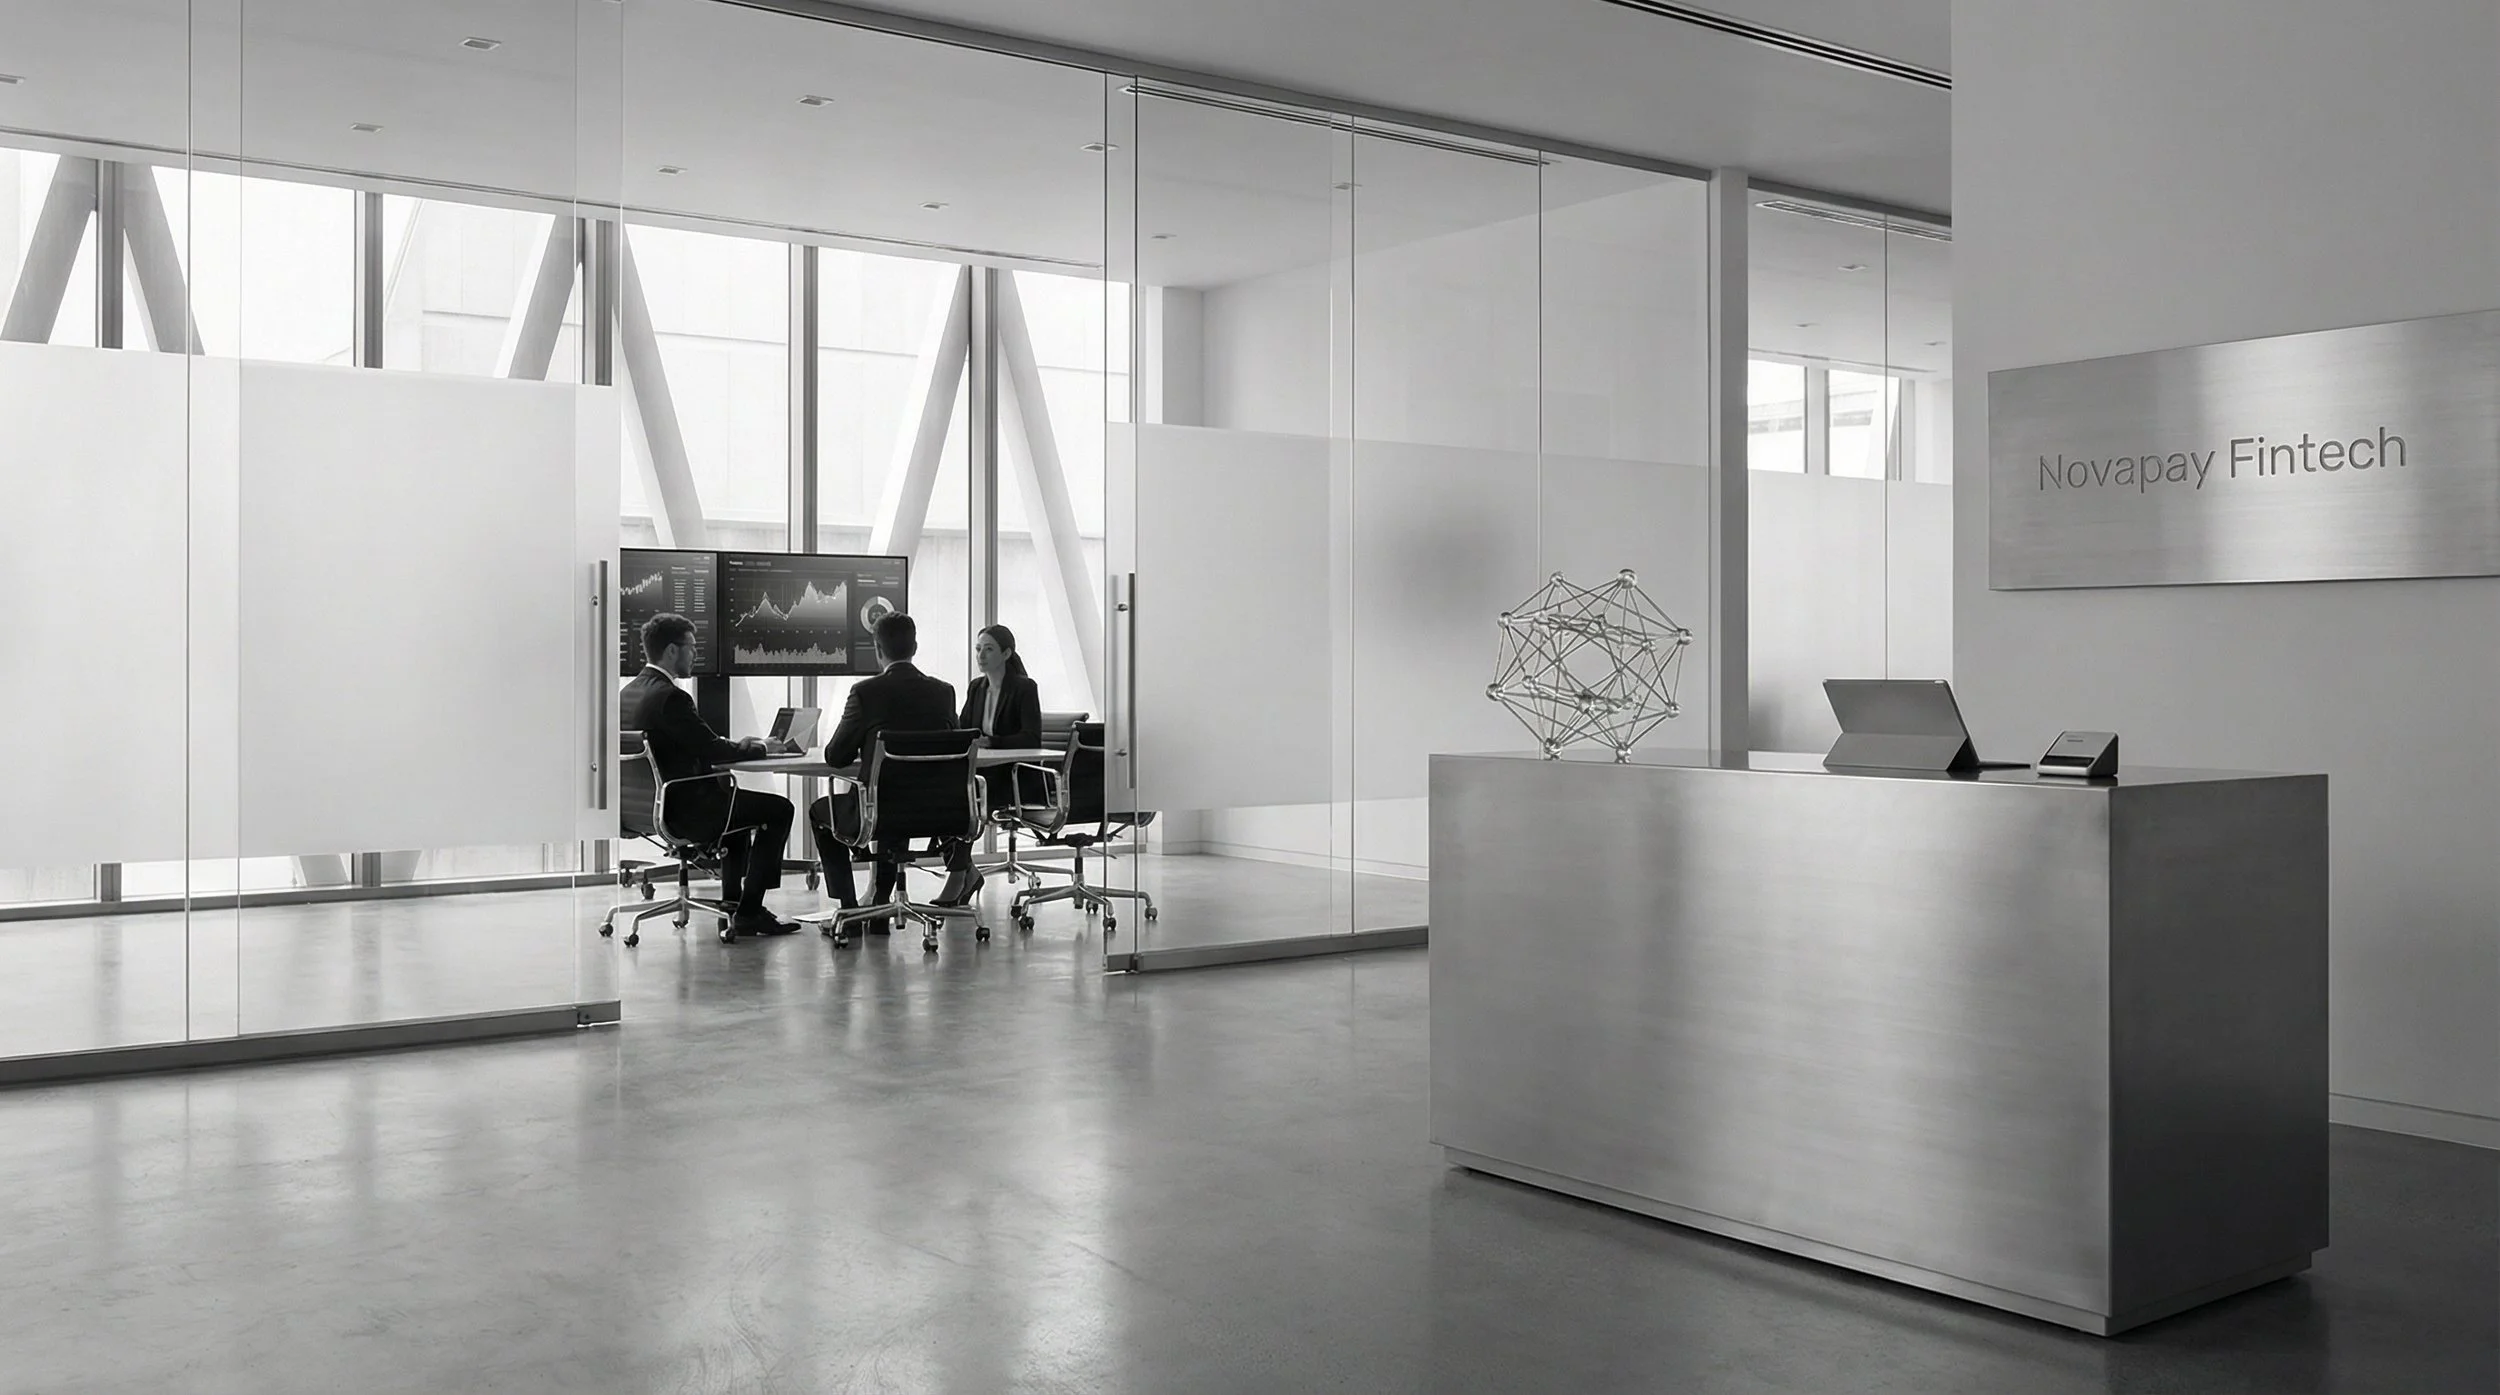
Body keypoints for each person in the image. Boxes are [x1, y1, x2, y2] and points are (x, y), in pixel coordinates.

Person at [620, 612, 802, 940]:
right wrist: (762, 749)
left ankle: (735, 905)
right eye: (691, 647)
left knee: (736, 814)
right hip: (687, 811)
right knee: (779, 810)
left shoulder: (628, 694)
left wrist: (745, 745)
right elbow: (710, 748)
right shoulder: (671, 697)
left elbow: (695, 743)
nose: (696, 654)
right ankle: (750, 912)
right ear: (672, 651)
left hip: (644, 809)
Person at [807, 612, 959, 919]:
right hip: (939, 811)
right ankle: (879, 896)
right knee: (896, 800)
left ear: (878, 649)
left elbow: (836, 756)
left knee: (821, 812)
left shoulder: (866, 692)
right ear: (915, 647)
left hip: (881, 810)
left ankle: (849, 909)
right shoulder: (944, 692)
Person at [936, 623, 1044, 905]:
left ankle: (958, 876)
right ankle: (966, 870)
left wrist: (992, 742)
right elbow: (964, 730)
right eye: (978, 649)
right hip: (980, 773)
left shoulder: (1024, 688)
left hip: (1011, 778)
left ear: (1007, 653)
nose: (981, 655)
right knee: (941, 795)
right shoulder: (977, 687)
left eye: (989, 649)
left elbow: (1032, 737)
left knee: (964, 800)